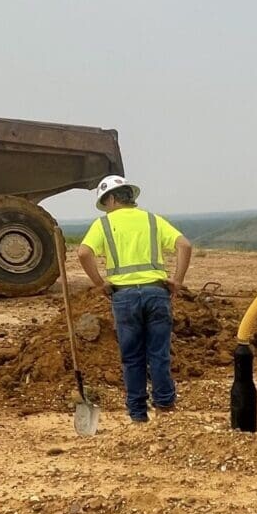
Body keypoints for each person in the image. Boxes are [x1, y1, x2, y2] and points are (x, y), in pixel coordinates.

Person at [73, 175, 192, 423]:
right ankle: (165, 407)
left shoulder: (103, 225)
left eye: (105, 203)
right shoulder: (152, 220)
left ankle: (138, 415)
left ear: (112, 198)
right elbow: (185, 245)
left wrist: (99, 283)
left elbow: (83, 252)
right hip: (156, 293)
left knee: (132, 357)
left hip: (124, 297)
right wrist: (177, 281)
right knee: (159, 354)